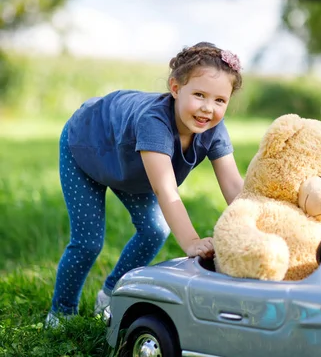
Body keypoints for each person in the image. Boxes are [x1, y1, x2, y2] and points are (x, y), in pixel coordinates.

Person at [45, 42, 244, 327]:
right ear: (175, 89)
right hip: (87, 148)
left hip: (129, 167)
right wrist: (191, 242)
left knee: (154, 230)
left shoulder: (213, 129)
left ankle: (111, 293)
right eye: (199, 95)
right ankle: (61, 311)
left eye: (219, 101)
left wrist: (260, 225)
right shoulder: (154, 122)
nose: (207, 108)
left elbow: (233, 185)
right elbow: (165, 189)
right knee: (87, 242)